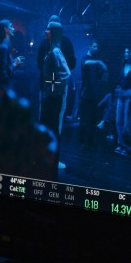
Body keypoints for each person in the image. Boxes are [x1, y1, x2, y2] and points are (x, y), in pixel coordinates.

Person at [37, 15, 76, 169]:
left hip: (53, 93)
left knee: (53, 124)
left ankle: (51, 157)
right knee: (48, 124)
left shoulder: (57, 50)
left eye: (48, 29)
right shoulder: (48, 46)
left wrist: (55, 86)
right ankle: (45, 156)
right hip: (48, 92)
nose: (45, 31)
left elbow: (66, 72)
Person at [79, 39, 108, 148]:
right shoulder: (85, 58)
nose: (96, 49)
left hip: (94, 94)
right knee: (84, 118)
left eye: (97, 47)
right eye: (95, 46)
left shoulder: (96, 61)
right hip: (85, 94)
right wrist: (99, 62)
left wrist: (103, 69)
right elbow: (86, 63)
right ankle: (82, 140)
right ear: (90, 46)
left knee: (93, 119)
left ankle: (90, 140)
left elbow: (100, 76)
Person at [0, 19, 25, 95]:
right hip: (3, 88)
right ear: (5, 29)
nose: (13, 29)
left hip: (4, 87)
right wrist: (15, 64)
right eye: (11, 26)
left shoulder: (4, 46)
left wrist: (13, 62)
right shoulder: (4, 47)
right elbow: (3, 72)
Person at [113, 47, 131, 157]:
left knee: (127, 123)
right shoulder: (123, 66)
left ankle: (127, 146)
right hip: (121, 95)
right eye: (125, 52)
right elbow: (119, 80)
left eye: (128, 52)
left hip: (128, 96)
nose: (126, 54)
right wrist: (117, 88)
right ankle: (120, 144)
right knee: (118, 121)